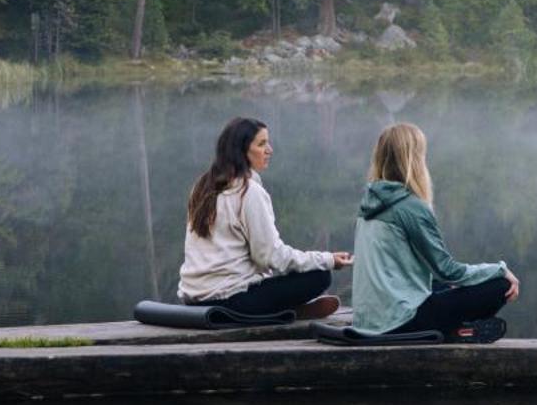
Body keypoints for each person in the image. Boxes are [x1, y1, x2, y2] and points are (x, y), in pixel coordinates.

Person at [350, 122, 517, 339]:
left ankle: (459, 328)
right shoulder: (410, 207)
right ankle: (457, 330)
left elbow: (428, 275)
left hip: (370, 319)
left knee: (439, 285)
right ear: (415, 160)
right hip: (401, 321)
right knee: (499, 286)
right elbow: (448, 270)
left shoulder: (369, 204)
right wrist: (500, 269)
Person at [178, 116, 348, 319]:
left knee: (299, 274)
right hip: (232, 301)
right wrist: (327, 259)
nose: (269, 150)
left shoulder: (202, 187)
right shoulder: (249, 192)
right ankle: (281, 312)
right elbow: (270, 256)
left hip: (193, 298)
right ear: (241, 151)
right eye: (261, 144)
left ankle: (283, 310)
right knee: (319, 276)